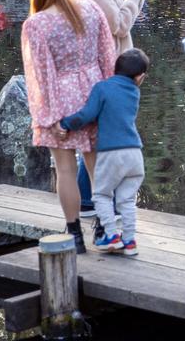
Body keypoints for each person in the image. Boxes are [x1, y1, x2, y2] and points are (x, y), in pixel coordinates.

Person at [21, 0, 117, 253]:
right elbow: (107, 56)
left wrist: (48, 116)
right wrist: (110, 97)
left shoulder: (37, 24)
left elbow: (40, 74)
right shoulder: (90, 9)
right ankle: (105, 223)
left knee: (64, 170)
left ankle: (74, 232)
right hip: (93, 92)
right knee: (96, 165)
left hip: (61, 98)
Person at [72, 0, 148, 220]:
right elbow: (119, 26)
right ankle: (89, 201)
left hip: (107, 70)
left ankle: (91, 199)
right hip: (111, 70)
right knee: (105, 138)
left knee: (99, 137)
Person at [60, 48, 150, 256]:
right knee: (126, 200)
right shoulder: (135, 91)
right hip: (135, 154)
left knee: (101, 194)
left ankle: (110, 234)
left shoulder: (102, 88)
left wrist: (65, 123)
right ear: (141, 77)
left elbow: (87, 115)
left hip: (111, 153)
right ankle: (129, 240)